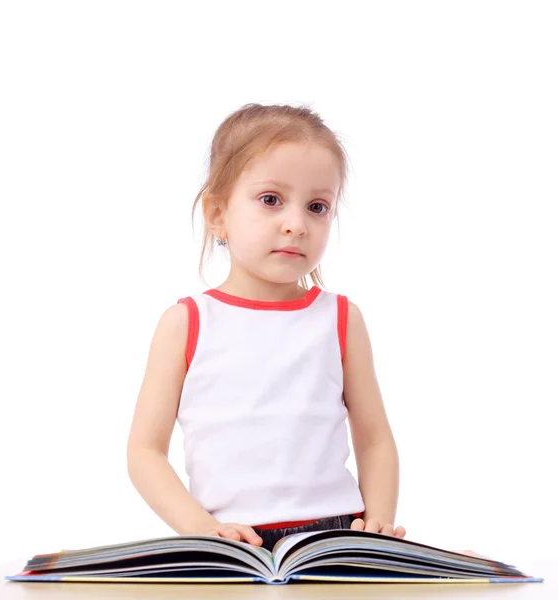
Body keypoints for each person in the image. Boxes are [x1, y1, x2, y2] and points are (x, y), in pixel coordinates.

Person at [127, 103, 406, 553]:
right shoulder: (185, 323)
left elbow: (374, 438)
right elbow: (145, 452)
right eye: (271, 200)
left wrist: (377, 522)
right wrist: (201, 528)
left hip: (336, 535)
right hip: (233, 541)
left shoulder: (341, 318)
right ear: (217, 213)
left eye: (317, 206)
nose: (296, 224)